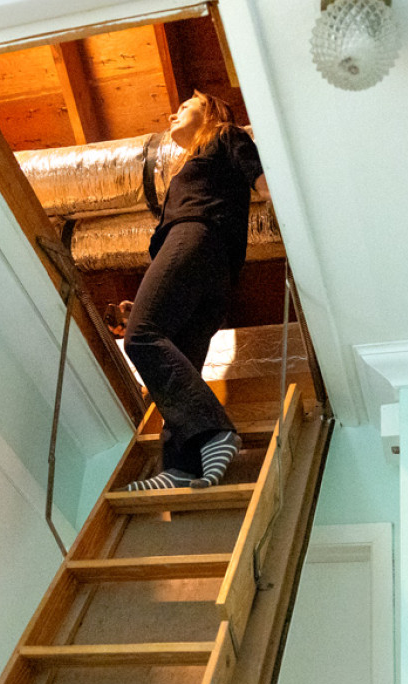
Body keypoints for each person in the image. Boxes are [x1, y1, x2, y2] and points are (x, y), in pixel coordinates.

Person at [123, 91, 267, 491]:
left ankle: (215, 431)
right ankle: (182, 467)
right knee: (180, 360)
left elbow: (264, 181)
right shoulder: (202, 156)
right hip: (214, 269)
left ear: (211, 111)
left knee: (141, 337)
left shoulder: (226, 134)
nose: (173, 112)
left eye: (186, 106)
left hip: (196, 239)